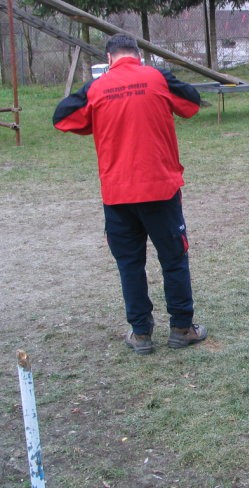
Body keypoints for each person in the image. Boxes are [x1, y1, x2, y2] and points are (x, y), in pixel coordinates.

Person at [53, 34, 207, 354]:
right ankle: (181, 328)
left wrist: (94, 93)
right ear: (137, 54)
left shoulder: (97, 87)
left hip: (118, 195)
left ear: (108, 58)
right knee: (174, 260)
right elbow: (191, 104)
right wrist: (163, 77)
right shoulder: (156, 78)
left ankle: (141, 335)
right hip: (160, 190)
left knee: (130, 265)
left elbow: (64, 118)